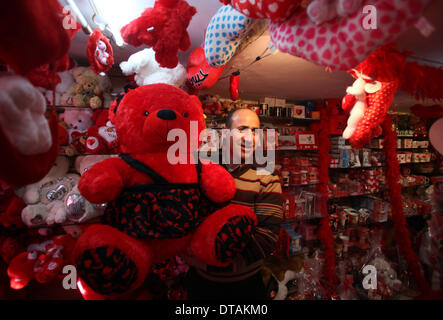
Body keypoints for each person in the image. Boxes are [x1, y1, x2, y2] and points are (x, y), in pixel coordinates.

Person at [185, 108, 283, 300]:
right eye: (242, 129)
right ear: (225, 131)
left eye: (254, 131)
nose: (249, 137)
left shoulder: (266, 179)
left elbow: (266, 238)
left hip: (244, 288)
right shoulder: (202, 169)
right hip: (200, 284)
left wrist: (214, 265)